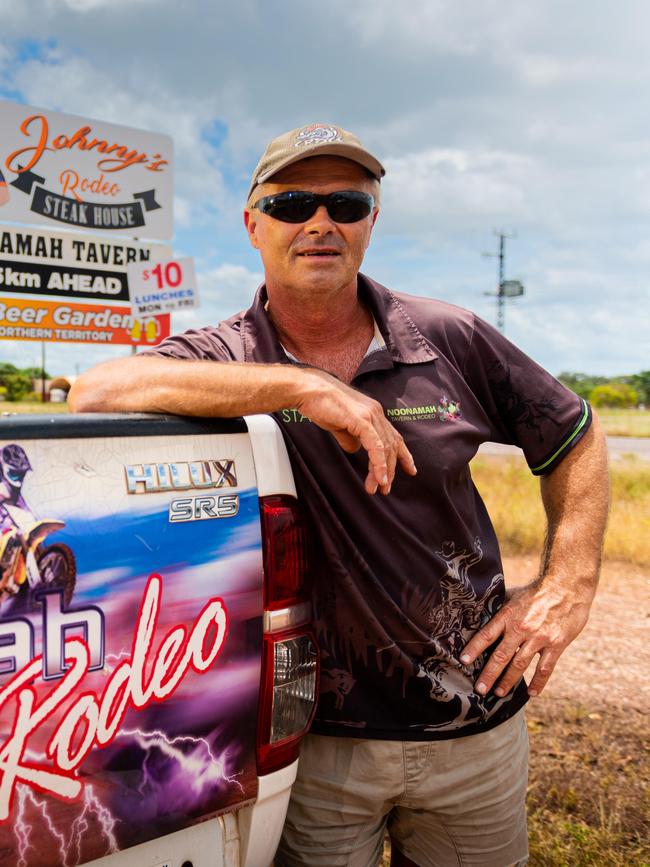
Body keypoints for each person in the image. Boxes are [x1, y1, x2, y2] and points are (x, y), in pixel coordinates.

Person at [69, 123, 609, 867]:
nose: (320, 222)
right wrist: (301, 387)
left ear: (371, 223)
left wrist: (569, 583)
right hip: (316, 747)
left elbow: (575, 435)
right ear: (253, 224)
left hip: (475, 730)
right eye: (292, 203)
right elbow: (96, 390)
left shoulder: (449, 336)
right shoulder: (227, 356)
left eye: (346, 203)